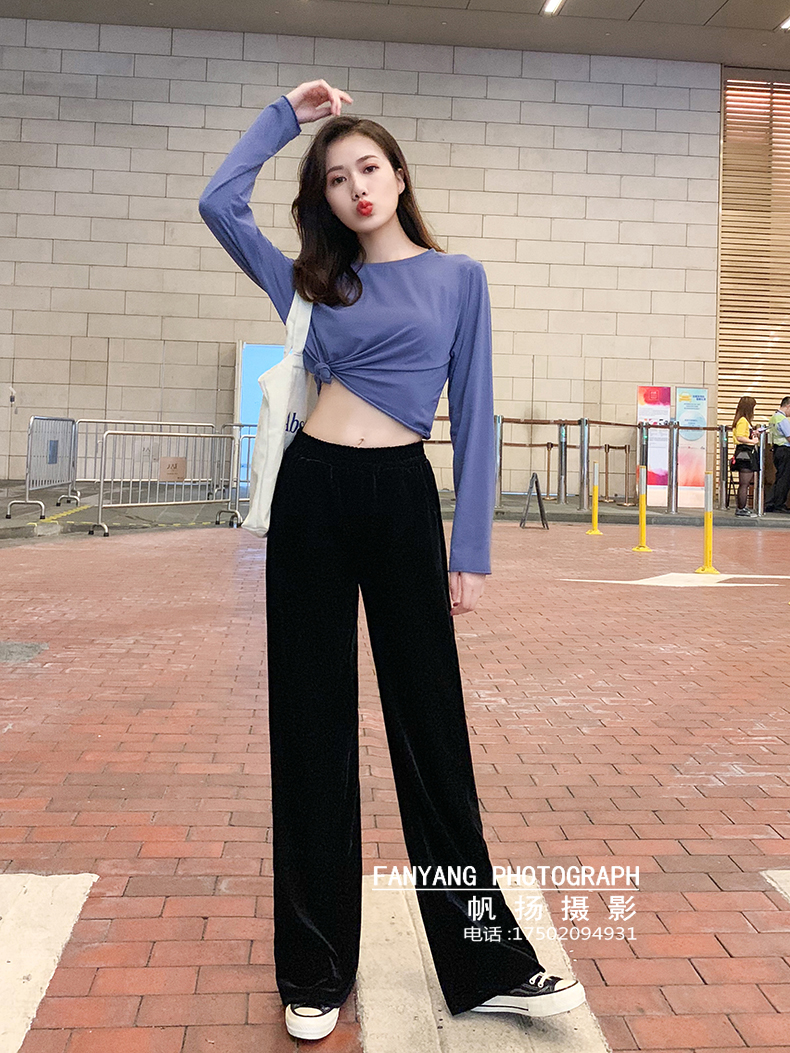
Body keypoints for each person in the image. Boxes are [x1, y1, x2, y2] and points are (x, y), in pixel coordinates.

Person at [199, 79, 586, 1040]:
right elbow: (219, 203)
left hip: (404, 498)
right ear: (325, 200)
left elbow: (477, 410)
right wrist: (285, 116)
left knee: (432, 730)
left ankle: (488, 962)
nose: (356, 188)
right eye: (336, 179)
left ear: (400, 175)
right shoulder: (314, 282)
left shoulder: (459, 279)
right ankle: (315, 969)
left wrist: (472, 545)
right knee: (311, 725)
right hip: (314, 497)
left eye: (368, 168)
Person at [731, 396, 760, 517]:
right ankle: (741, 508)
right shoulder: (743, 421)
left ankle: (742, 507)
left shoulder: (742, 420)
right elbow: (739, 437)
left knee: (744, 483)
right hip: (745, 453)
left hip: (743, 453)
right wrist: (752, 441)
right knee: (744, 483)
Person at [764, 396, 790, 513]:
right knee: (784, 478)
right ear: (788, 406)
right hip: (785, 450)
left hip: (776, 450)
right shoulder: (782, 419)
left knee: (779, 477)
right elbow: (789, 437)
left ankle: (771, 503)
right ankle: (779, 504)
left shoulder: (773, 418)